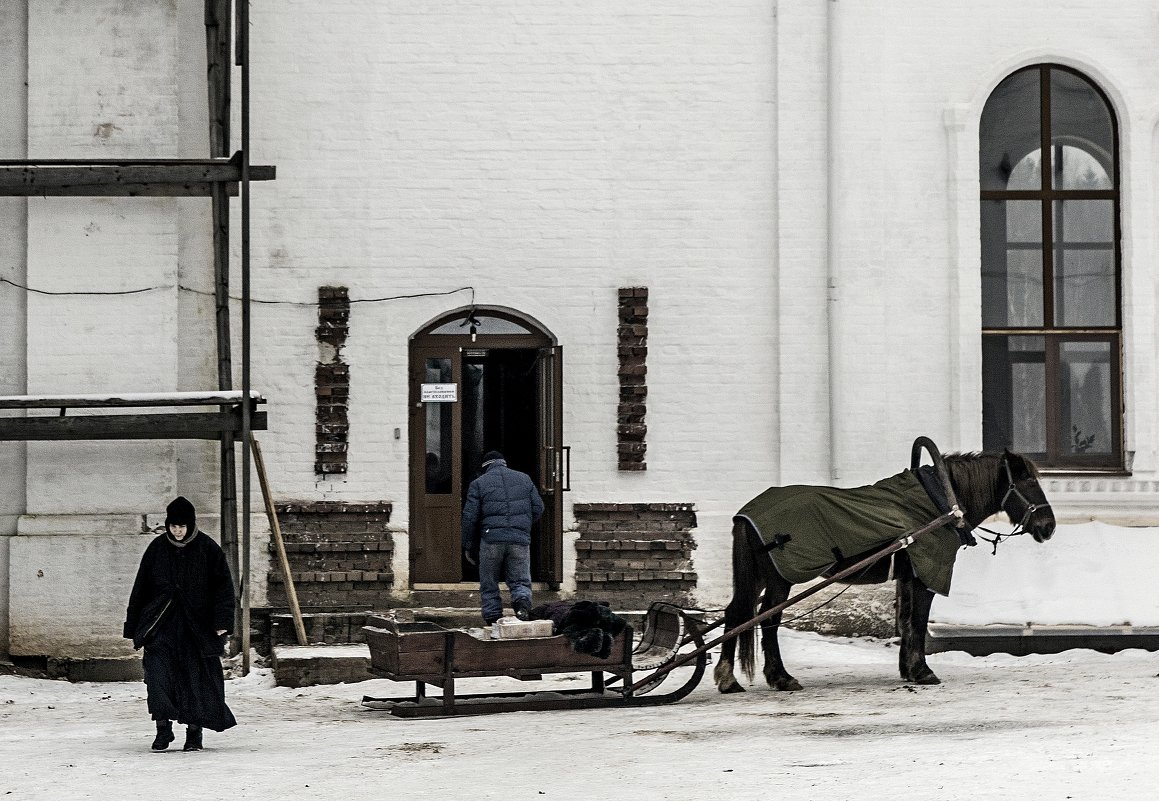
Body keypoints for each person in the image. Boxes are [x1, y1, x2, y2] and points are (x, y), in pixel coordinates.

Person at [123, 496, 237, 751]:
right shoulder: (156, 549)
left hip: (196, 629)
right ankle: (163, 729)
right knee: (158, 678)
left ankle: (194, 733)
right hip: (161, 625)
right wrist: (133, 626)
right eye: (173, 526)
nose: (177, 531)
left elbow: (223, 589)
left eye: (182, 526)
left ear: (191, 525)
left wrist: (222, 622)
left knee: (194, 680)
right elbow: (140, 589)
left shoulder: (208, 549)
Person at [461, 450, 544, 624]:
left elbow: (470, 518)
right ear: (503, 463)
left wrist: (468, 545)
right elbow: (538, 508)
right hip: (519, 539)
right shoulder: (525, 479)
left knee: (489, 582)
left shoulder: (478, 483)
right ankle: (522, 606)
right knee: (520, 580)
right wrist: (522, 526)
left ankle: (492, 617)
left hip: (491, 539)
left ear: (485, 467)